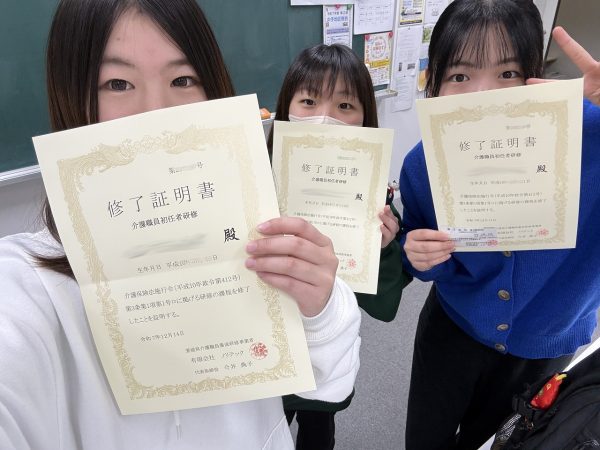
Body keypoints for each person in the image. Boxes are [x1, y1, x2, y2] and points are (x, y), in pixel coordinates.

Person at [0, 1, 362, 449]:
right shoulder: (28, 288)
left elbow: (331, 384)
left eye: (183, 80)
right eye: (117, 83)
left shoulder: (254, 232)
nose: (157, 115)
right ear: (71, 94)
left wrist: (320, 309)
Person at [398, 0, 600, 449]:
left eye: (508, 73)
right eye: (459, 76)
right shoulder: (424, 163)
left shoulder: (592, 134)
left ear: (536, 74)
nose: (483, 96)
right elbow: (416, 249)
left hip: (544, 346)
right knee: (425, 438)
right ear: (435, 84)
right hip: (453, 327)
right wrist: (419, 254)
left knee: (500, 441)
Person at [268, 43, 411, 450]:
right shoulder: (255, 183)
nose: (325, 118)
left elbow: (384, 308)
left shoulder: (372, 203)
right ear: (286, 108)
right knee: (266, 433)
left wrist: (382, 249)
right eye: (309, 101)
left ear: (366, 118)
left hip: (328, 361)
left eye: (345, 105)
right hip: (269, 355)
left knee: (317, 432)